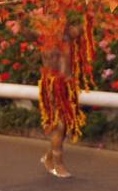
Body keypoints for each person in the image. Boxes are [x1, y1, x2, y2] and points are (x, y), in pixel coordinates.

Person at [36, 13, 91, 178]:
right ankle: (57, 163)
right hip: (53, 85)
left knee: (64, 126)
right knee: (59, 125)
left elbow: (84, 27)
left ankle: (48, 156)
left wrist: (91, 8)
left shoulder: (68, 35)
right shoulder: (47, 40)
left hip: (68, 86)